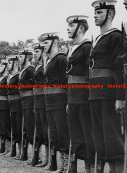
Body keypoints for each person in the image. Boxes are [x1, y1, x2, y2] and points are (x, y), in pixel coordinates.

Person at [89, 1, 125, 172]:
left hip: (109, 94)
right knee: (101, 138)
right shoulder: (97, 39)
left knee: (112, 138)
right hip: (95, 94)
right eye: (95, 12)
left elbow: (119, 68)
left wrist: (120, 97)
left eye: (99, 12)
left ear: (110, 14)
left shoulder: (116, 36)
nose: (95, 15)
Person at [66, 15, 95, 173]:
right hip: (72, 97)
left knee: (87, 135)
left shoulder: (87, 46)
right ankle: (77, 164)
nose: (68, 29)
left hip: (84, 97)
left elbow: (90, 74)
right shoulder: (71, 48)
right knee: (75, 135)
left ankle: (90, 167)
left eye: (72, 26)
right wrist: (67, 102)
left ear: (81, 28)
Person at [41, 32, 69, 172]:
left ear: (55, 43)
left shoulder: (61, 58)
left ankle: (67, 165)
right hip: (49, 101)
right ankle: (60, 164)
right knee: (54, 134)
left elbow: (67, 81)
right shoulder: (48, 60)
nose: (43, 45)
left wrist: (68, 101)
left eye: (46, 43)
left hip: (60, 100)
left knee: (62, 132)